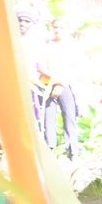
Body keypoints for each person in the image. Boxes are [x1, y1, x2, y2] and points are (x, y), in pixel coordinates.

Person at [37, 17, 81, 159]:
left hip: (66, 87)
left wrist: (61, 84)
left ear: (67, 30)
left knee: (69, 118)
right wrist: (55, 81)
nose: (58, 30)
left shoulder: (72, 47)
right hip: (47, 85)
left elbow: (74, 68)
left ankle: (72, 152)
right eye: (55, 27)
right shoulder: (46, 45)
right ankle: (50, 152)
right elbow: (40, 66)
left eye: (62, 27)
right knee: (48, 120)